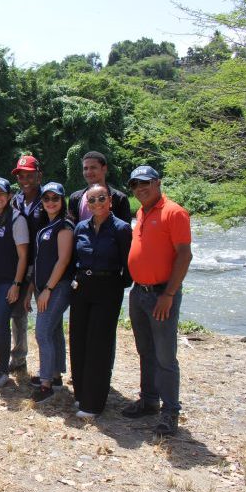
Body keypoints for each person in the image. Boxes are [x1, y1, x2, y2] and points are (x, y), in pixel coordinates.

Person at [122, 165, 192, 436]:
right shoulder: (141, 212)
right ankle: (149, 400)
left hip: (162, 294)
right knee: (145, 350)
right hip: (139, 292)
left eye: (145, 183)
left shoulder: (174, 212)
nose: (140, 188)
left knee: (165, 356)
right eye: (135, 184)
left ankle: (170, 411)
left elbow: (184, 255)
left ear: (157, 183)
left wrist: (169, 294)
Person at [69, 184, 132, 418]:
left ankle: (93, 404)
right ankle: (81, 395)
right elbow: (73, 259)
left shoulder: (122, 229)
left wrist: (115, 285)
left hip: (108, 288)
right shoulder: (80, 228)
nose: (97, 203)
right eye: (92, 200)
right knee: (78, 340)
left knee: (99, 344)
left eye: (101, 198)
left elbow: (128, 265)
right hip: (81, 287)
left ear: (110, 201)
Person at [24, 182, 74, 404]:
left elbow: (63, 261)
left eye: (55, 198)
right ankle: (54, 376)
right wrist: (31, 290)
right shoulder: (46, 225)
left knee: (42, 332)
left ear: (62, 201)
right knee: (53, 332)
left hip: (58, 287)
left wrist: (48, 289)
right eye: (46, 198)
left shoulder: (64, 226)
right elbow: (38, 261)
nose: (51, 202)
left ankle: (46, 385)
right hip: (42, 287)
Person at [0, 177, 29, 389]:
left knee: (0, 324)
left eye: (1, 193)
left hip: (7, 283)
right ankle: (0, 366)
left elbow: (23, 256)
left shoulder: (17, 219)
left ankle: (2, 372)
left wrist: (16, 284)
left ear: (9, 196)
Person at [9, 153, 44, 374]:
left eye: (29, 175)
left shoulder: (49, 198)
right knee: (18, 313)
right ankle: (19, 358)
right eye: (21, 176)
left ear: (39, 176)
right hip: (21, 264)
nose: (25, 180)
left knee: (47, 319)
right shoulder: (16, 200)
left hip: (45, 266)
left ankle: (51, 368)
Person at [67, 151, 132, 224]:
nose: (88, 172)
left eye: (93, 168)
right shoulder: (74, 198)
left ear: (104, 169)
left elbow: (126, 229)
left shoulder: (119, 198)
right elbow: (71, 227)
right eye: (85, 168)